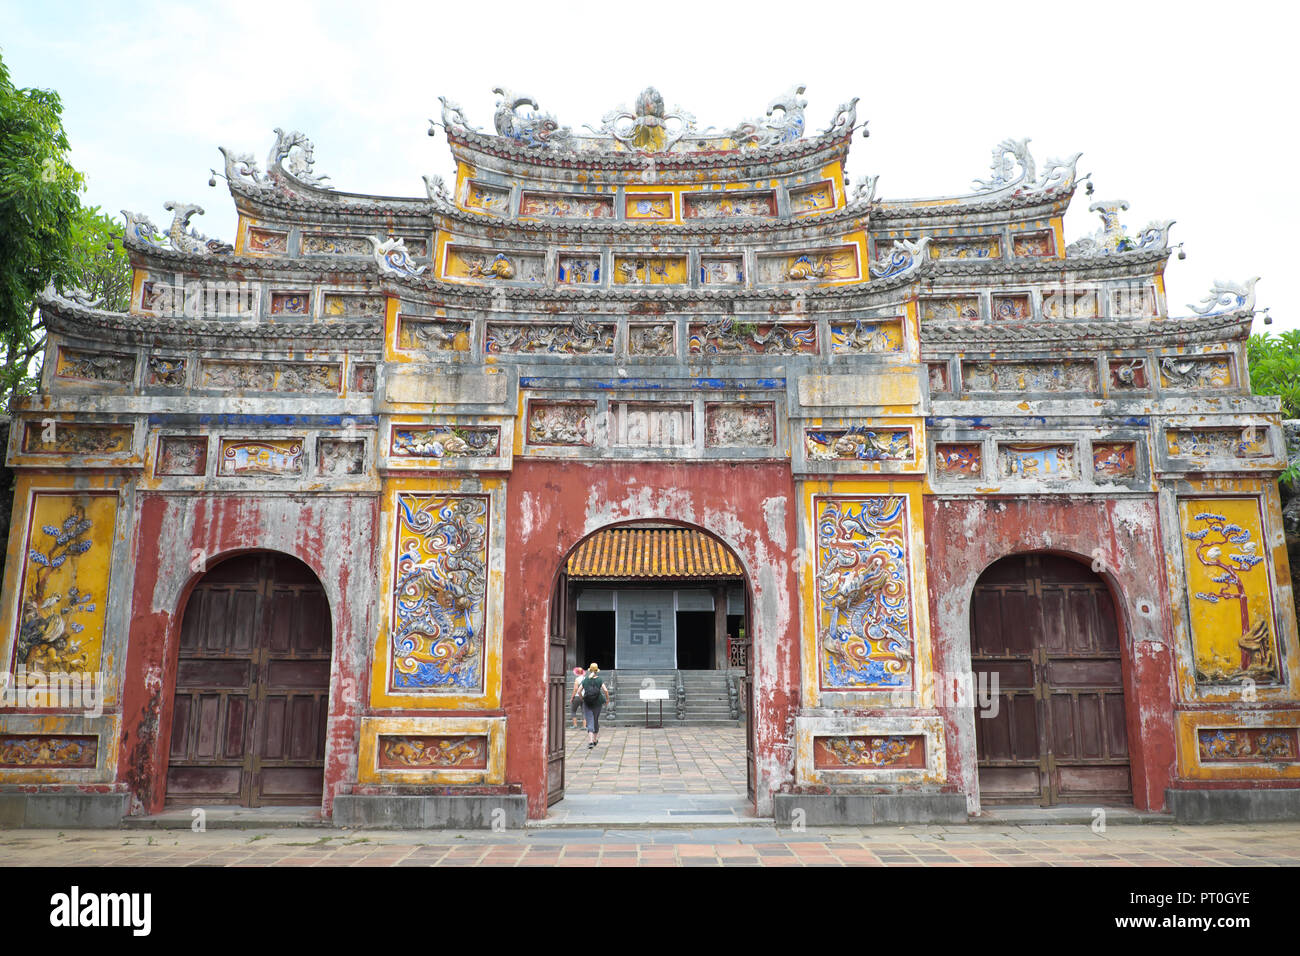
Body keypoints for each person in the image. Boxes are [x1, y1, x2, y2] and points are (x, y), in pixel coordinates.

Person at [579, 662, 610, 748]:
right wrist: (607, 699)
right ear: (597, 671)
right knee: (595, 719)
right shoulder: (599, 680)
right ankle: (595, 739)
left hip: (587, 702)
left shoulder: (585, 680)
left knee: (590, 720)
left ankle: (590, 741)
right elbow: (605, 690)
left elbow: (579, 691)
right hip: (597, 702)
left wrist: (582, 698)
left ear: (589, 670)